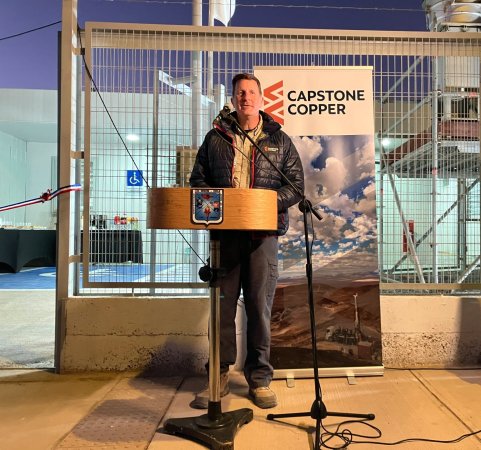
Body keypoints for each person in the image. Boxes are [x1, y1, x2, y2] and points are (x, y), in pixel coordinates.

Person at [189, 73, 305, 409]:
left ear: (261, 98)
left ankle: (260, 379)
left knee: (259, 309)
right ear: (233, 99)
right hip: (224, 239)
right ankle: (219, 375)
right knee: (222, 310)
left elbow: (295, 186)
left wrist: (262, 204)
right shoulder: (215, 138)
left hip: (262, 237)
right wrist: (222, 206)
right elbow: (198, 180)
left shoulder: (278, 140)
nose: (246, 98)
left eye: (252, 92)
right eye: (240, 93)